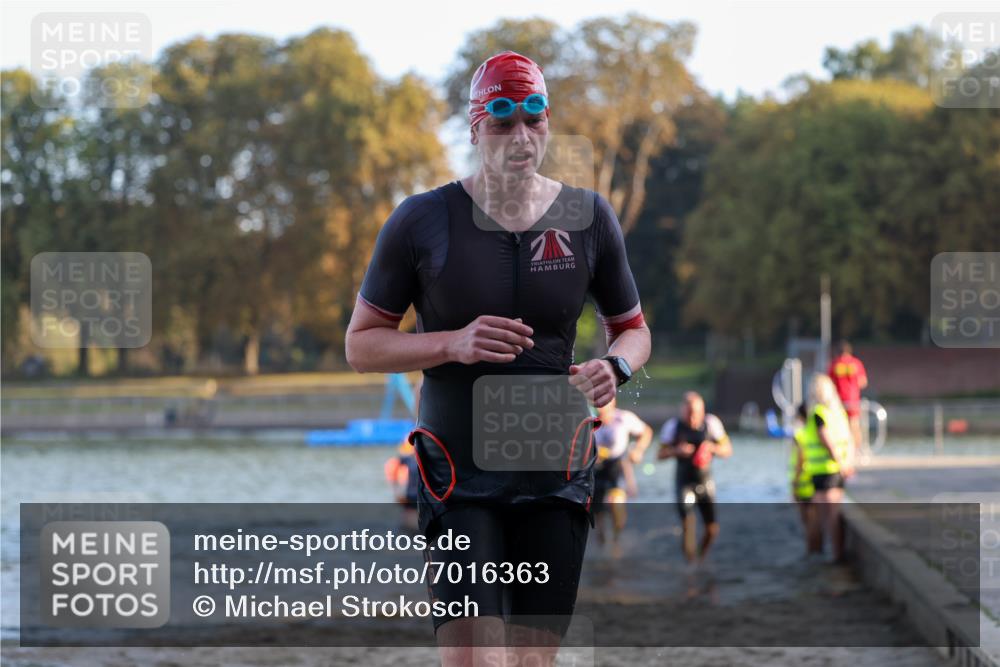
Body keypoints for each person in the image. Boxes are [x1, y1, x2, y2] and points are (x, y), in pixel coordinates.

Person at [345, 50, 651, 666]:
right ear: (475, 127)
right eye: (503, 121)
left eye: (534, 119)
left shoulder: (588, 216)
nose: (521, 137)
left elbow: (634, 331)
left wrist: (614, 367)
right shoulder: (422, 219)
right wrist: (450, 343)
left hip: (555, 475)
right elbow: (362, 344)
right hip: (459, 477)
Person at [657, 392, 732, 564]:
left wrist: (711, 448)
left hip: (705, 481)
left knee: (712, 529)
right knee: (688, 525)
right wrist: (677, 451)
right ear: (682, 411)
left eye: (696, 413)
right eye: (689, 413)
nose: (693, 418)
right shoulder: (673, 426)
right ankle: (690, 565)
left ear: (703, 410)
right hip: (684, 482)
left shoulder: (711, 423)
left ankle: (700, 557)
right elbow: (660, 454)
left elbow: (727, 449)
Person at [803, 374, 855, 562]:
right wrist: (847, 463)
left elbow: (827, 441)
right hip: (836, 470)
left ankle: (835, 556)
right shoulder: (838, 412)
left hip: (824, 471)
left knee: (828, 518)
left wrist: (840, 464)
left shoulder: (818, 413)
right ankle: (833, 554)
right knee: (831, 515)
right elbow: (849, 439)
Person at [591, 397, 653, 550]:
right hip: (596, 470)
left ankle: (617, 539)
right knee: (599, 519)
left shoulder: (624, 418)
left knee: (615, 505)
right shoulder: (589, 420)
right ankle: (603, 547)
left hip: (616, 469)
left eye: (604, 405)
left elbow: (646, 432)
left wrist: (638, 450)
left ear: (613, 403)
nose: (600, 409)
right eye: (597, 405)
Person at [827, 340, 867, 457]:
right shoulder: (856, 363)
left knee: (839, 425)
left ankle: (842, 450)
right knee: (854, 425)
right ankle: (857, 451)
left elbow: (829, 383)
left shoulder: (835, 364)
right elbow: (863, 382)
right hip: (853, 400)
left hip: (839, 401)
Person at [789, 403, 815, 553]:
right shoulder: (813, 433)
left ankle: (811, 550)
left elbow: (800, 460)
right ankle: (816, 549)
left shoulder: (799, 435)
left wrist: (794, 484)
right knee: (815, 521)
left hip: (803, 484)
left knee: (807, 522)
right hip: (814, 480)